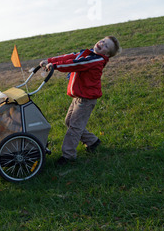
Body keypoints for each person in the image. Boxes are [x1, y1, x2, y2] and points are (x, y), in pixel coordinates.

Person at [40, 36, 121, 165]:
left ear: (106, 54)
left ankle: (68, 156)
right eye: (102, 41)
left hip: (86, 100)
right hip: (79, 97)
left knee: (74, 128)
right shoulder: (86, 53)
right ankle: (93, 142)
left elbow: (76, 64)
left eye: (106, 46)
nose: (101, 43)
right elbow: (69, 57)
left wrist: (55, 66)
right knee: (69, 122)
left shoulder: (96, 60)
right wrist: (49, 60)